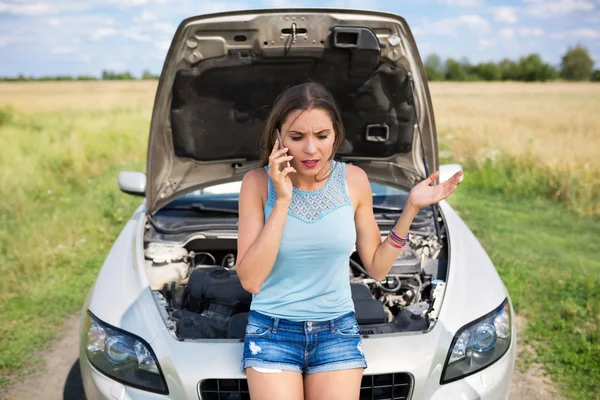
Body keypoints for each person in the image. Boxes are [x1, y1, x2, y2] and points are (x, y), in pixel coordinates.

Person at [235, 82, 462, 400]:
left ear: (336, 135)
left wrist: (411, 207)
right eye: (297, 137)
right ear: (278, 138)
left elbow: (378, 268)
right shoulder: (256, 184)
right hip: (271, 331)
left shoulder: (354, 180)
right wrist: (283, 199)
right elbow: (251, 280)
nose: (311, 150)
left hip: (336, 330)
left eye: (322, 136)